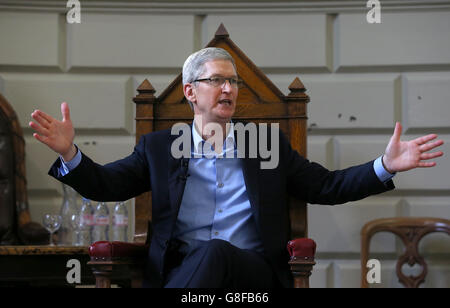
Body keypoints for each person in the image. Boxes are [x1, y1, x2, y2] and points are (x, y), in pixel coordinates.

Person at [29, 47, 444, 288]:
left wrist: (385, 164)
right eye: (216, 80)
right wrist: (70, 154)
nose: (228, 88)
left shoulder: (264, 144)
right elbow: (106, 184)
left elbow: (327, 186)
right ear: (191, 92)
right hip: (184, 276)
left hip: (254, 277)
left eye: (233, 82)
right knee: (205, 261)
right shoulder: (160, 147)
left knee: (217, 251)